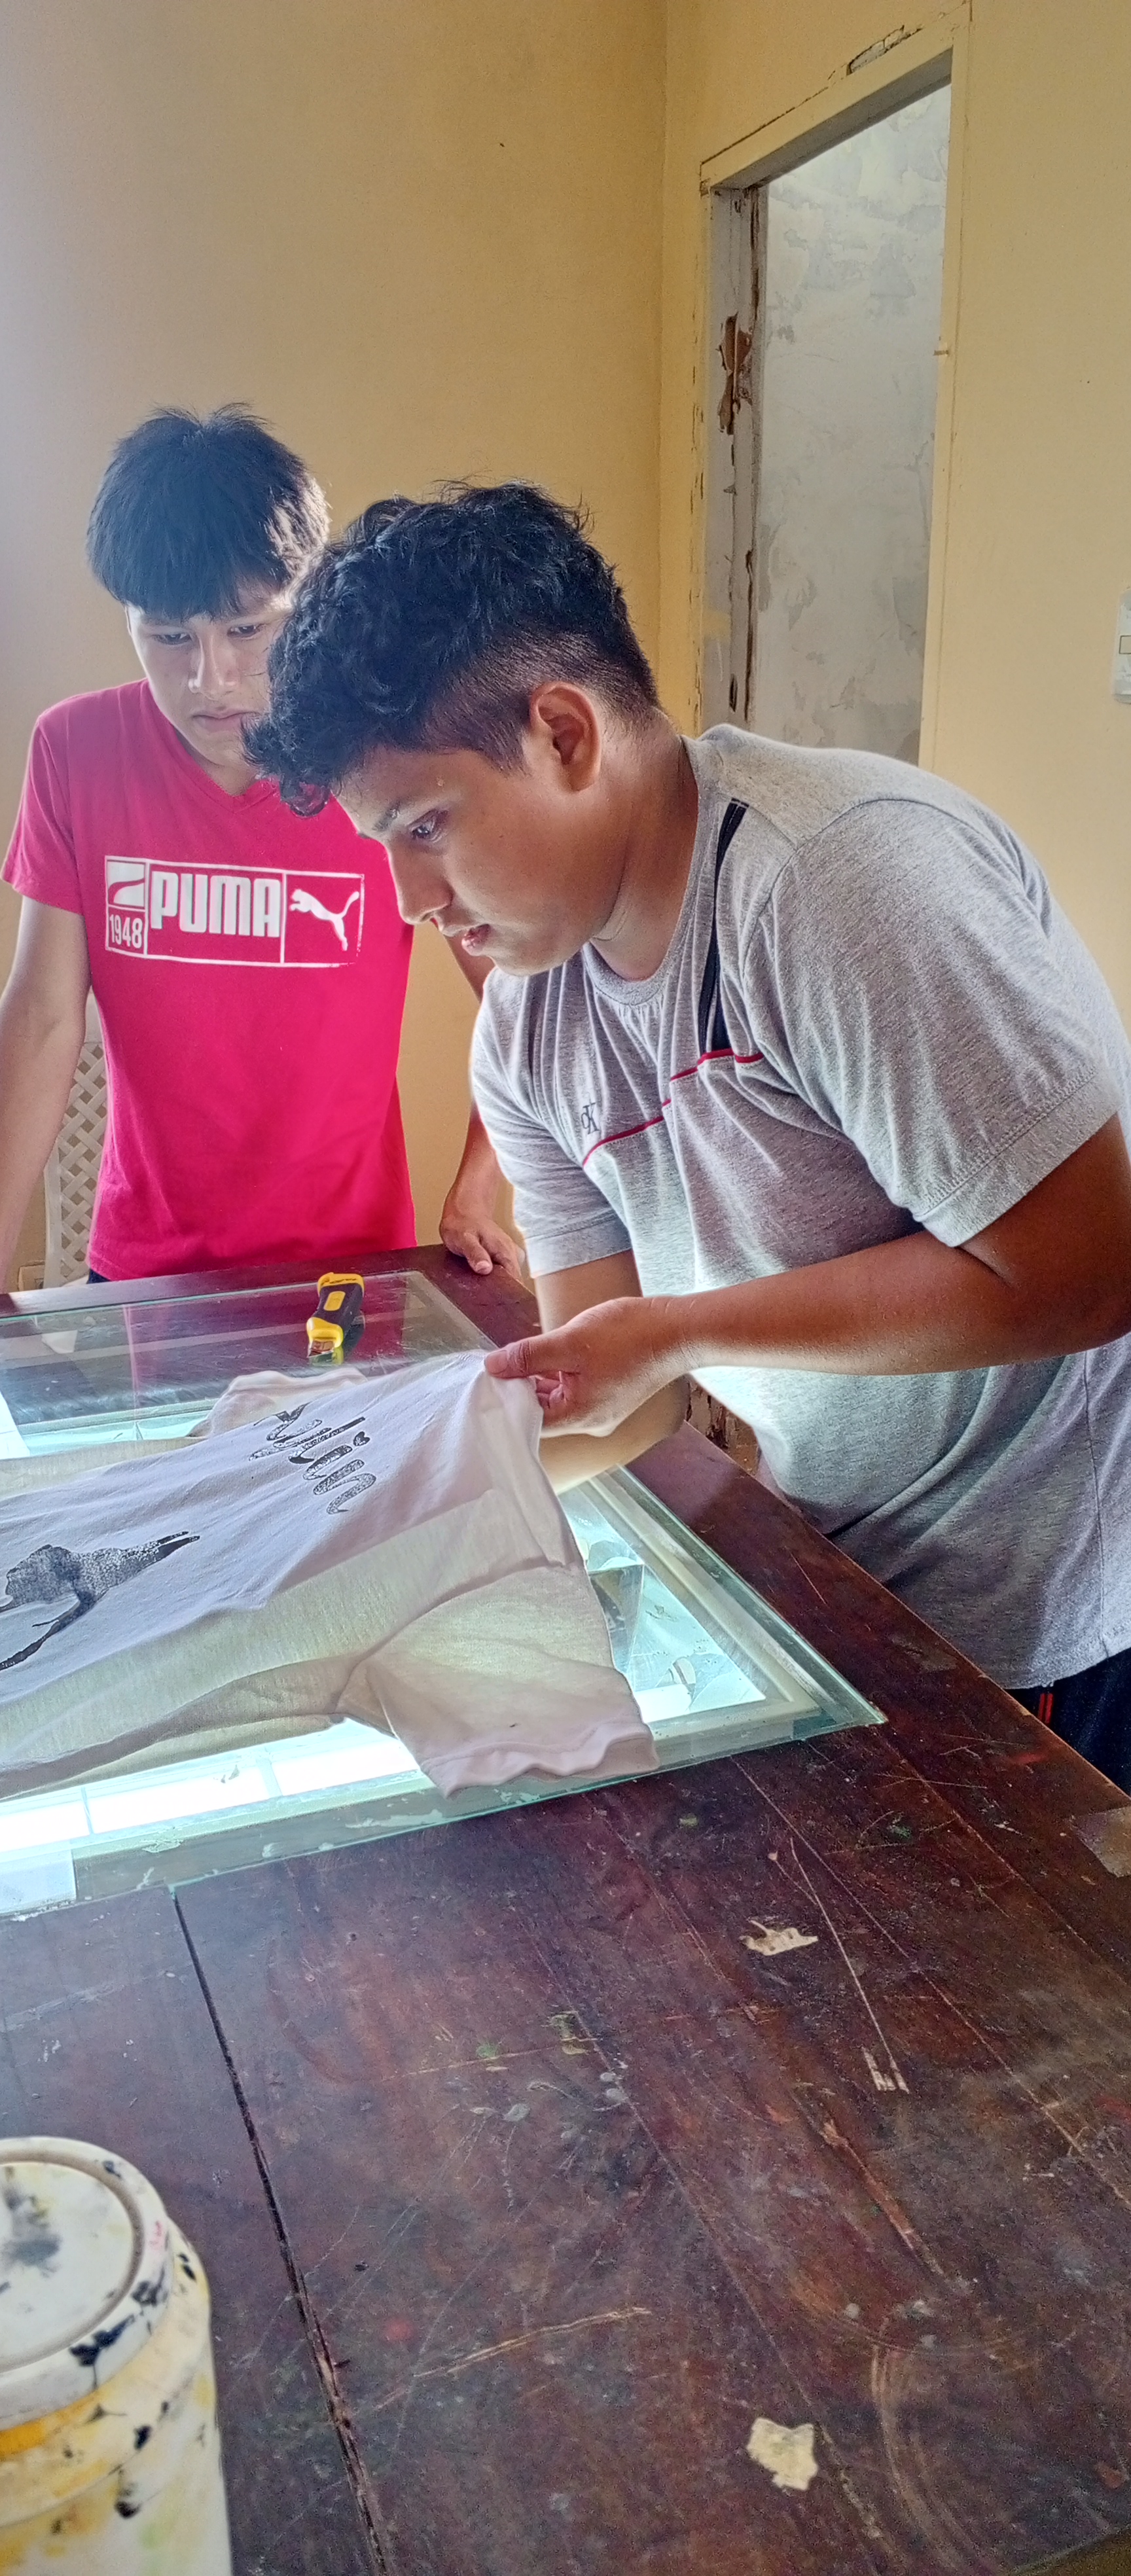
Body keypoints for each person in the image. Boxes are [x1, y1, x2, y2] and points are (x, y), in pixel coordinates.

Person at [247, 482, 1131, 1786]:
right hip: (846, 1566)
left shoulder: (833, 885)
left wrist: (677, 1329)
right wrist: (391, 1484)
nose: (410, 899)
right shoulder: (527, 1030)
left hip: (1037, 1591)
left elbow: (1088, 1269)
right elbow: (627, 1392)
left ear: (563, 734)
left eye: (425, 827)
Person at [0, 409, 513, 1287]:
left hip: (350, 1273)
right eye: (170, 637)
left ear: (305, 602)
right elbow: (43, 1020)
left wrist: (480, 1181)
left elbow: (521, 988)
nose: (211, 679)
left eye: (247, 631)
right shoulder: (75, 752)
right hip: (146, 1278)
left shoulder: (377, 761)